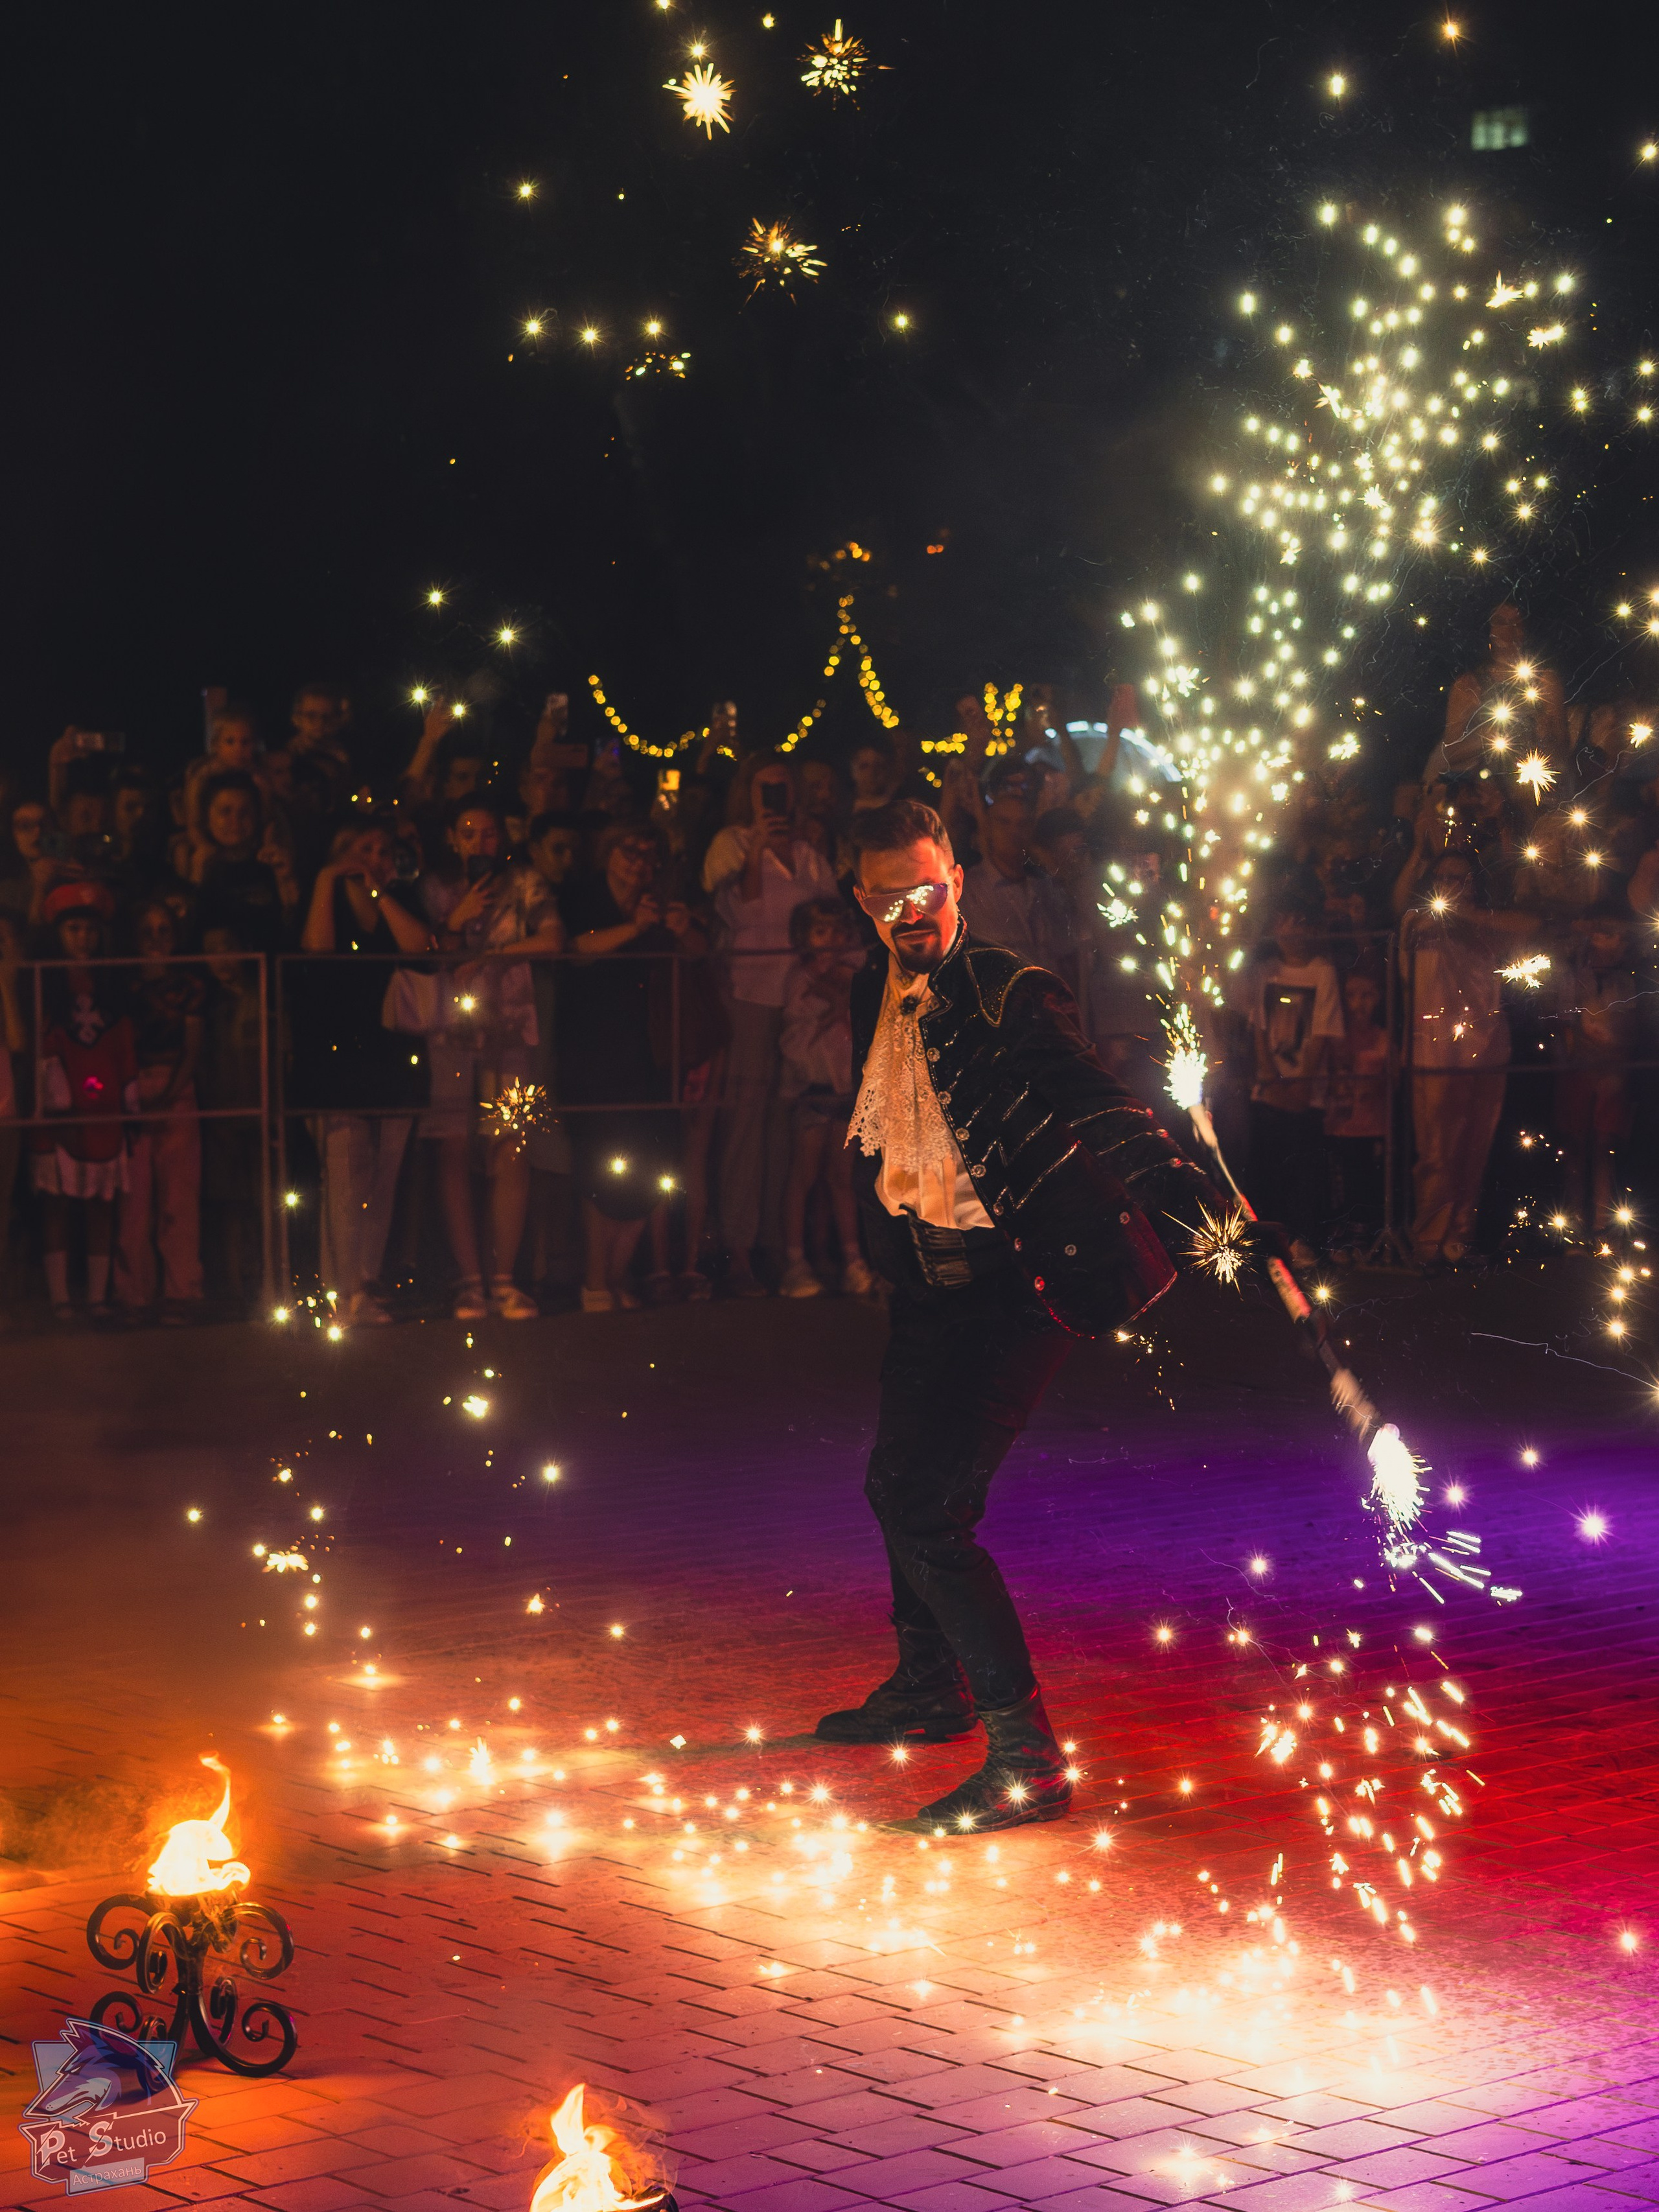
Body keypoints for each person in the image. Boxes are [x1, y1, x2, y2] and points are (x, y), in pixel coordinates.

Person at [815, 800, 1242, 1832]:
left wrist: (1207, 1214)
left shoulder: (1009, 992)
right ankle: (933, 1687)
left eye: (924, 888)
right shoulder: (873, 979)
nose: (909, 911)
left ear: (956, 874)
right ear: (859, 898)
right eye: (885, 897)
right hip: (926, 1284)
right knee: (894, 1486)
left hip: (1012, 1288)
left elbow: (1099, 1106)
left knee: (929, 1510)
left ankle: (1029, 1760)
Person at [421, 796, 563, 1320]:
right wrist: (455, 921)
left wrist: (494, 955)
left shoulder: (524, 884)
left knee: (512, 1148)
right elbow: (427, 950)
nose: (481, 843)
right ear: (453, 839)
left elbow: (553, 937)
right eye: (469, 833)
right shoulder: (434, 888)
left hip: (511, 1031)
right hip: (451, 1035)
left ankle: (503, 1279)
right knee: (452, 1148)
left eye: (489, 833)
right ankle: (469, 1282)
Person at [702, 754, 839, 1296]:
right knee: (746, 1124)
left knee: (796, 1127)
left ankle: (789, 1250)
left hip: (804, 1001)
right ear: (748, 795)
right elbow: (740, 911)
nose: (773, 801)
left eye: (782, 790)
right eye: (764, 791)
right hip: (752, 997)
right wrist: (758, 849)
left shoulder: (810, 854)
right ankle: (738, 1248)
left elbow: (830, 917)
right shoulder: (729, 844)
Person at [560, 824, 704, 1310]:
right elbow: (576, 951)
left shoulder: (663, 899)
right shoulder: (583, 895)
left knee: (650, 1166)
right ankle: (596, 1281)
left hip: (650, 1051)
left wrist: (683, 931)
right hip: (593, 1050)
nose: (640, 863)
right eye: (630, 850)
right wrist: (634, 928)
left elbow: (701, 956)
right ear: (607, 853)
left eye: (650, 854)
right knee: (596, 1165)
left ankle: (617, 1276)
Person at [299, 820, 435, 1325]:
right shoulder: (327, 899)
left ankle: (366, 1284)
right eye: (365, 849)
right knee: (344, 1170)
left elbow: (419, 945)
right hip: (335, 1046)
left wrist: (381, 893)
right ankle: (341, 1291)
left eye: (385, 850)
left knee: (384, 1173)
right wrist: (325, 882)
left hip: (393, 1046)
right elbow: (317, 948)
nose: (376, 858)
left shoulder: (401, 900)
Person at [1393, 835, 1535, 1268]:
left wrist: (1472, 916)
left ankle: (1460, 1232)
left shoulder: (1487, 922)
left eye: (1458, 877)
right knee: (1436, 1149)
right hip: (1432, 1055)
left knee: (1474, 1148)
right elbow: (1402, 909)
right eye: (1442, 878)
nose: (1450, 885)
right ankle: (1429, 1236)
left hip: (1487, 1048)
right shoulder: (1419, 920)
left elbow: (1531, 925)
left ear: (1474, 883)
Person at [30, 881, 138, 1322]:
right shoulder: (45, 982)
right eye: (73, 928)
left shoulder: (113, 982)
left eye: (90, 929)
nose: (83, 938)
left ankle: (96, 1297)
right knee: (55, 1201)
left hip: (104, 1106)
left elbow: (124, 1040)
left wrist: (129, 1093)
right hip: (58, 1109)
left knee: (101, 1201)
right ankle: (60, 1299)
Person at [115, 899, 205, 1320]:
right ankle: (133, 1292)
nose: (156, 940)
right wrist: (132, 1094)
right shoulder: (125, 985)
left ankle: (181, 1289)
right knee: (134, 1200)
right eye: (148, 930)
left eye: (164, 930)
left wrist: (170, 1093)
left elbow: (192, 1047)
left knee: (178, 1197)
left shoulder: (188, 985)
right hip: (131, 1089)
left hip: (176, 1087)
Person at [1245, 896, 1345, 1266]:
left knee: (1304, 1167)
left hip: (1306, 1088)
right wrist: (1270, 1075)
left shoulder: (1323, 971)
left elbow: (1321, 1032)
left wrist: (1301, 1082)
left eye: (1300, 920)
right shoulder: (1266, 970)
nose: (1291, 929)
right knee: (1268, 1166)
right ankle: (1270, 1242)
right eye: (1284, 919)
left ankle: (1306, 1241)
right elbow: (1258, 1027)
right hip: (1269, 1086)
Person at [778, 897, 869, 1298]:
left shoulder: (853, 975)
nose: (829, 940)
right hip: (812, 1090)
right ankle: (795, 1262)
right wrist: (828, 1011)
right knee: (804, 1175)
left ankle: (852, 1260)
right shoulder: (799, 979)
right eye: (819, 932)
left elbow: (855, 1014)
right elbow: (798, 1036)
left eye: (836, 932)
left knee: (842, 1178)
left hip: (846, 1091)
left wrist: (840, 1005)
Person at [1555, 907, 1640, 1239]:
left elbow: (1630, 1031)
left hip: (1613, 1074)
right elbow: (1564, 1027)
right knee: (1575, 1146)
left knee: (1604, 1147)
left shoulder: (1626, 982)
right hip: (1577, 1071)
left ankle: (1601, 1225)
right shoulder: (1573, 977)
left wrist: (1615, 1071)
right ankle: (1575, 1224)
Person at [1423, 601, 1566, 784]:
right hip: (1486, 790)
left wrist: (1547, 736)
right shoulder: (1468, 686)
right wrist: (1485, 739)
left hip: (1535, 786)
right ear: (1488, 630)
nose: (1509, 630)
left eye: (1516, 621)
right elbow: (1449, 753)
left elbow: (1563, 748)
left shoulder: (1544, 681)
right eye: (1500, 622)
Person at [198, 926, 264, 1307]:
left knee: (262, 1200)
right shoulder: (208, 1005)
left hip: (259, 1111)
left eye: (228, 948)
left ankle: (264, 1279)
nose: (221, 959)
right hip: (222, 1112)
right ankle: (234, 1288)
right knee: (229, 1204)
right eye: (212, 951)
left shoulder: (263, 995)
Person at [957, 763, 1073, 976]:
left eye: (1023, 824)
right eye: (1004, 823)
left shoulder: (1045, 889)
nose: (1014, 832)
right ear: (989, 828)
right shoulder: (968, 892)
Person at [1324, 968, 1391, 1257]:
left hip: (1374, 1125)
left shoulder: (1384, 1039)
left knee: (1369, 1185)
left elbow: (1394, 1084)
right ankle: (1345, 1240)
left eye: (1367, 995)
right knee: (1344, 1185)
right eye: (1351, 995)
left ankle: (1367, 1242)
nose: (1359, 1003)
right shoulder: (1336, 1038)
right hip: (1341, 1125)